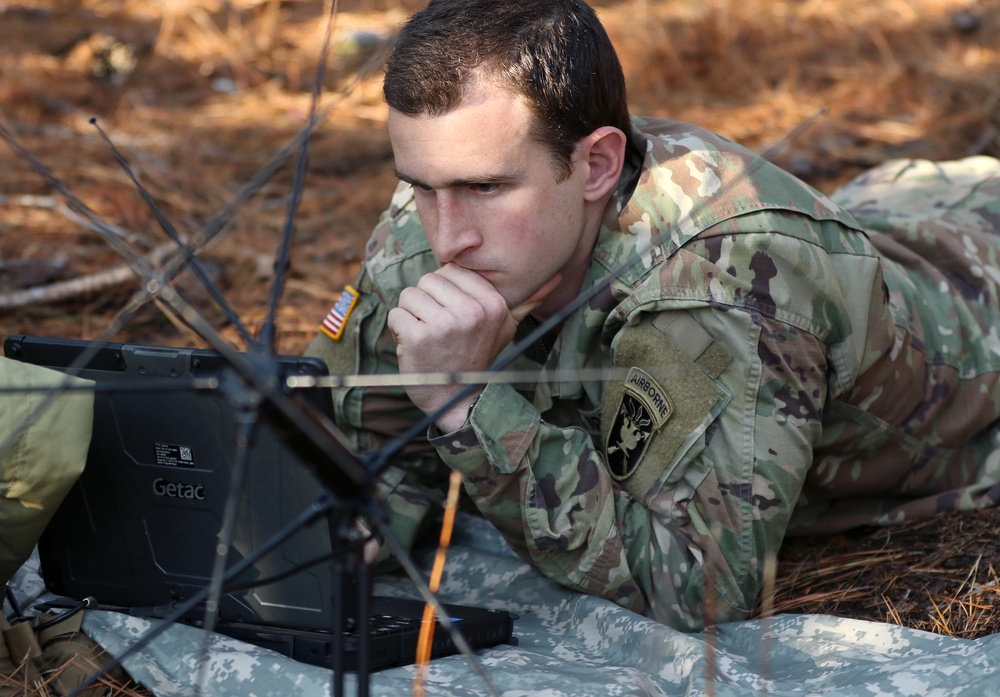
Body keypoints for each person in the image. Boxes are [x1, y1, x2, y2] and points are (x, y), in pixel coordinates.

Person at [307, 0, 1000, 631]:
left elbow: (698, 583)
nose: (445, 236)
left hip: (975, 311)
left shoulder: (724, 286)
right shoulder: (438, 218)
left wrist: (466, 406)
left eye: (485, 187)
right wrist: (353, 512)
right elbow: (357, 445)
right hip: (889, 216)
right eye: (420, 187)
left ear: (599, 164)